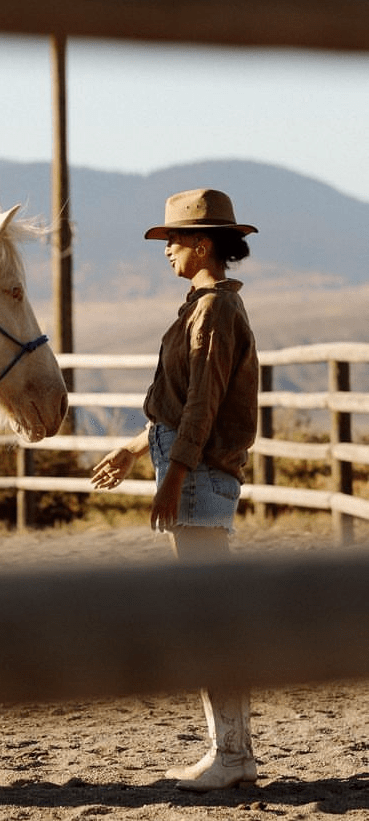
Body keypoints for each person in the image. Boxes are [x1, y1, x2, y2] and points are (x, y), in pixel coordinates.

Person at [90, 188, 260, 792]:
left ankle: (234, 755)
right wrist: (137, 450)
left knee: (209, 613)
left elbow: (202, 407)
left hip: (198, 474)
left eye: (176, 241)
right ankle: (229, 750)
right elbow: (180, 403)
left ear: (204, 244)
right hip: (189, 468)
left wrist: (176, 477)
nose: (167, 252)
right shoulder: (201, 306)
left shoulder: (213, 311)